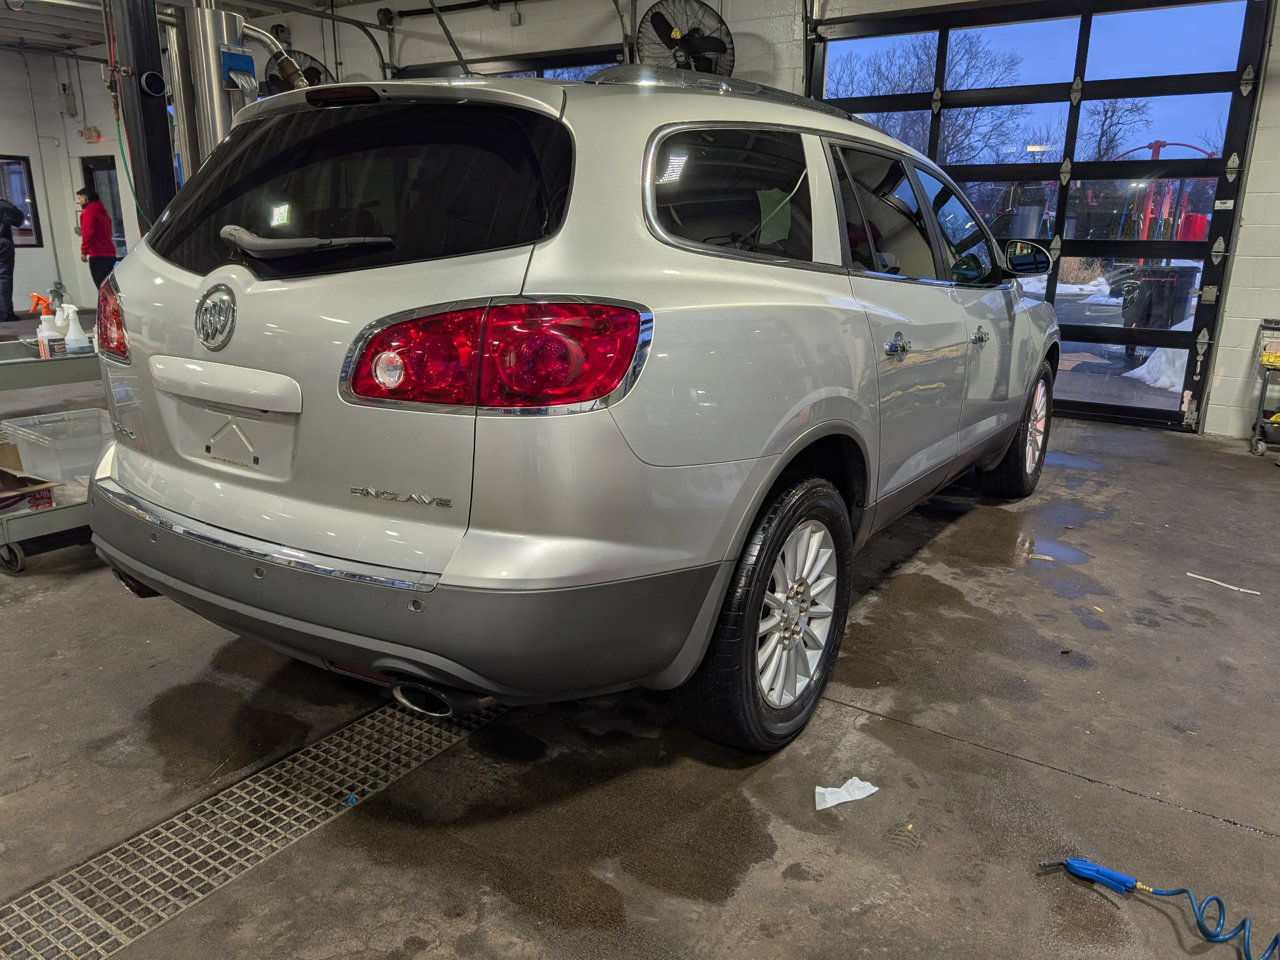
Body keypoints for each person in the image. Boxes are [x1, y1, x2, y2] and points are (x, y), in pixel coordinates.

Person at [76, 188, 117, 290]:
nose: (79, 201)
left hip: (98, 254)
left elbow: (87, 233)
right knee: (110, 288)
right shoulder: (102, 211)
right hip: (109, 253)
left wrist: (84, 252)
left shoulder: (88, 212)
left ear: (85, 198)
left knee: (103, 288)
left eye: (80, 198)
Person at [0, 195, 24, 322]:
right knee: (4, 277)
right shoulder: (5, 205)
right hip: (3, 242)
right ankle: (5, 313)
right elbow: (19, 221)